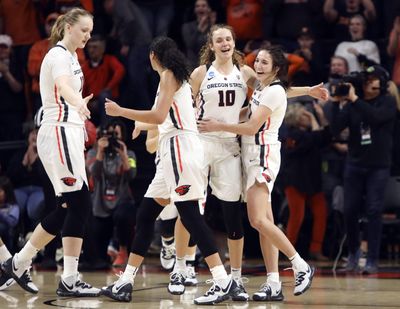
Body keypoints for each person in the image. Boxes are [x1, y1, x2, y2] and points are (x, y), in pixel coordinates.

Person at [189, 24, 326, 302]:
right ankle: (274, 282)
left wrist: (219, 124)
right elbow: (279, 94)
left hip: (261, 153)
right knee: (267, 222)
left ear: (276, 67)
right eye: (258, 60)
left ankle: (300, 265)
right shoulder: (263, 87)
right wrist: (309, 91)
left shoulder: (265, 86)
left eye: (264, 61)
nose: (258, 64)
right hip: (249, 152)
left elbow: (252, 126)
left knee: (257, 220)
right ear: (212, 45)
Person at [102, 36, 239, 305]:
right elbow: (163, 116)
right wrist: (144, 125)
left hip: (180, 149)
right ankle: (126, 282)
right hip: (171, 150)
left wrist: (120, 111)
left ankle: (223, 281)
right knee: (144, 216)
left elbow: (159, 116)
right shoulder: (173, 76)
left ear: (154, 55)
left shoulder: (167, 75)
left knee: (190, 215)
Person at [1, 8, 100, 297]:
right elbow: (63, 87)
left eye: (91, 31)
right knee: (78, 203)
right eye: (84, 30)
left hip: (68, 132)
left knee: (69, 207)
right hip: (58, 130)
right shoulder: (57, 55)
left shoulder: (71, 56)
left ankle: (61, 275)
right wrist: (79, 104)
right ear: (68, 27)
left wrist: (79, 114)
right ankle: (22, 262)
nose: (88, 36)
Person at [330, 65, 397, 274]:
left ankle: (372, 259)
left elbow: (375, 118)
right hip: (355, 163)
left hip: (378, 165)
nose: (369, 82)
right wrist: (338, 103)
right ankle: (353, 254)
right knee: (349, 210)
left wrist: (354, 100)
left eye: (373, 79)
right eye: (366, 79)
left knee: (374, 210)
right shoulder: (352, 104)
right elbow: (334, 129)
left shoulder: (387, 101)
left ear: (382, 82)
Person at [281, 103, 330, 261]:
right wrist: (314, 121)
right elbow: (313, 139)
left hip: (313, 181)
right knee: (297, 216)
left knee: (321, 213)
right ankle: (289, 251)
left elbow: (325, 137)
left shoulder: (309, 134)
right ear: (295, 117)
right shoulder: (292, 134)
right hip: (295, 181)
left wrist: (320, 117)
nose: (308, 116)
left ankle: (316, 249)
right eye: (304, 114)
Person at [85, 119, 137, 268]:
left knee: (123, 215)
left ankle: (123, 250)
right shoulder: (93, 153)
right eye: (110, 134)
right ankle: (106, 253)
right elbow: (93, 173)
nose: (113, 138)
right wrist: (100, 151)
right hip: (100, 205)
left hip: (122, 202)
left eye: (116, 134)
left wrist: (123, 155)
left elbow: (131, 175)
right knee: (98, 258)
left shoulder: (130, 154)